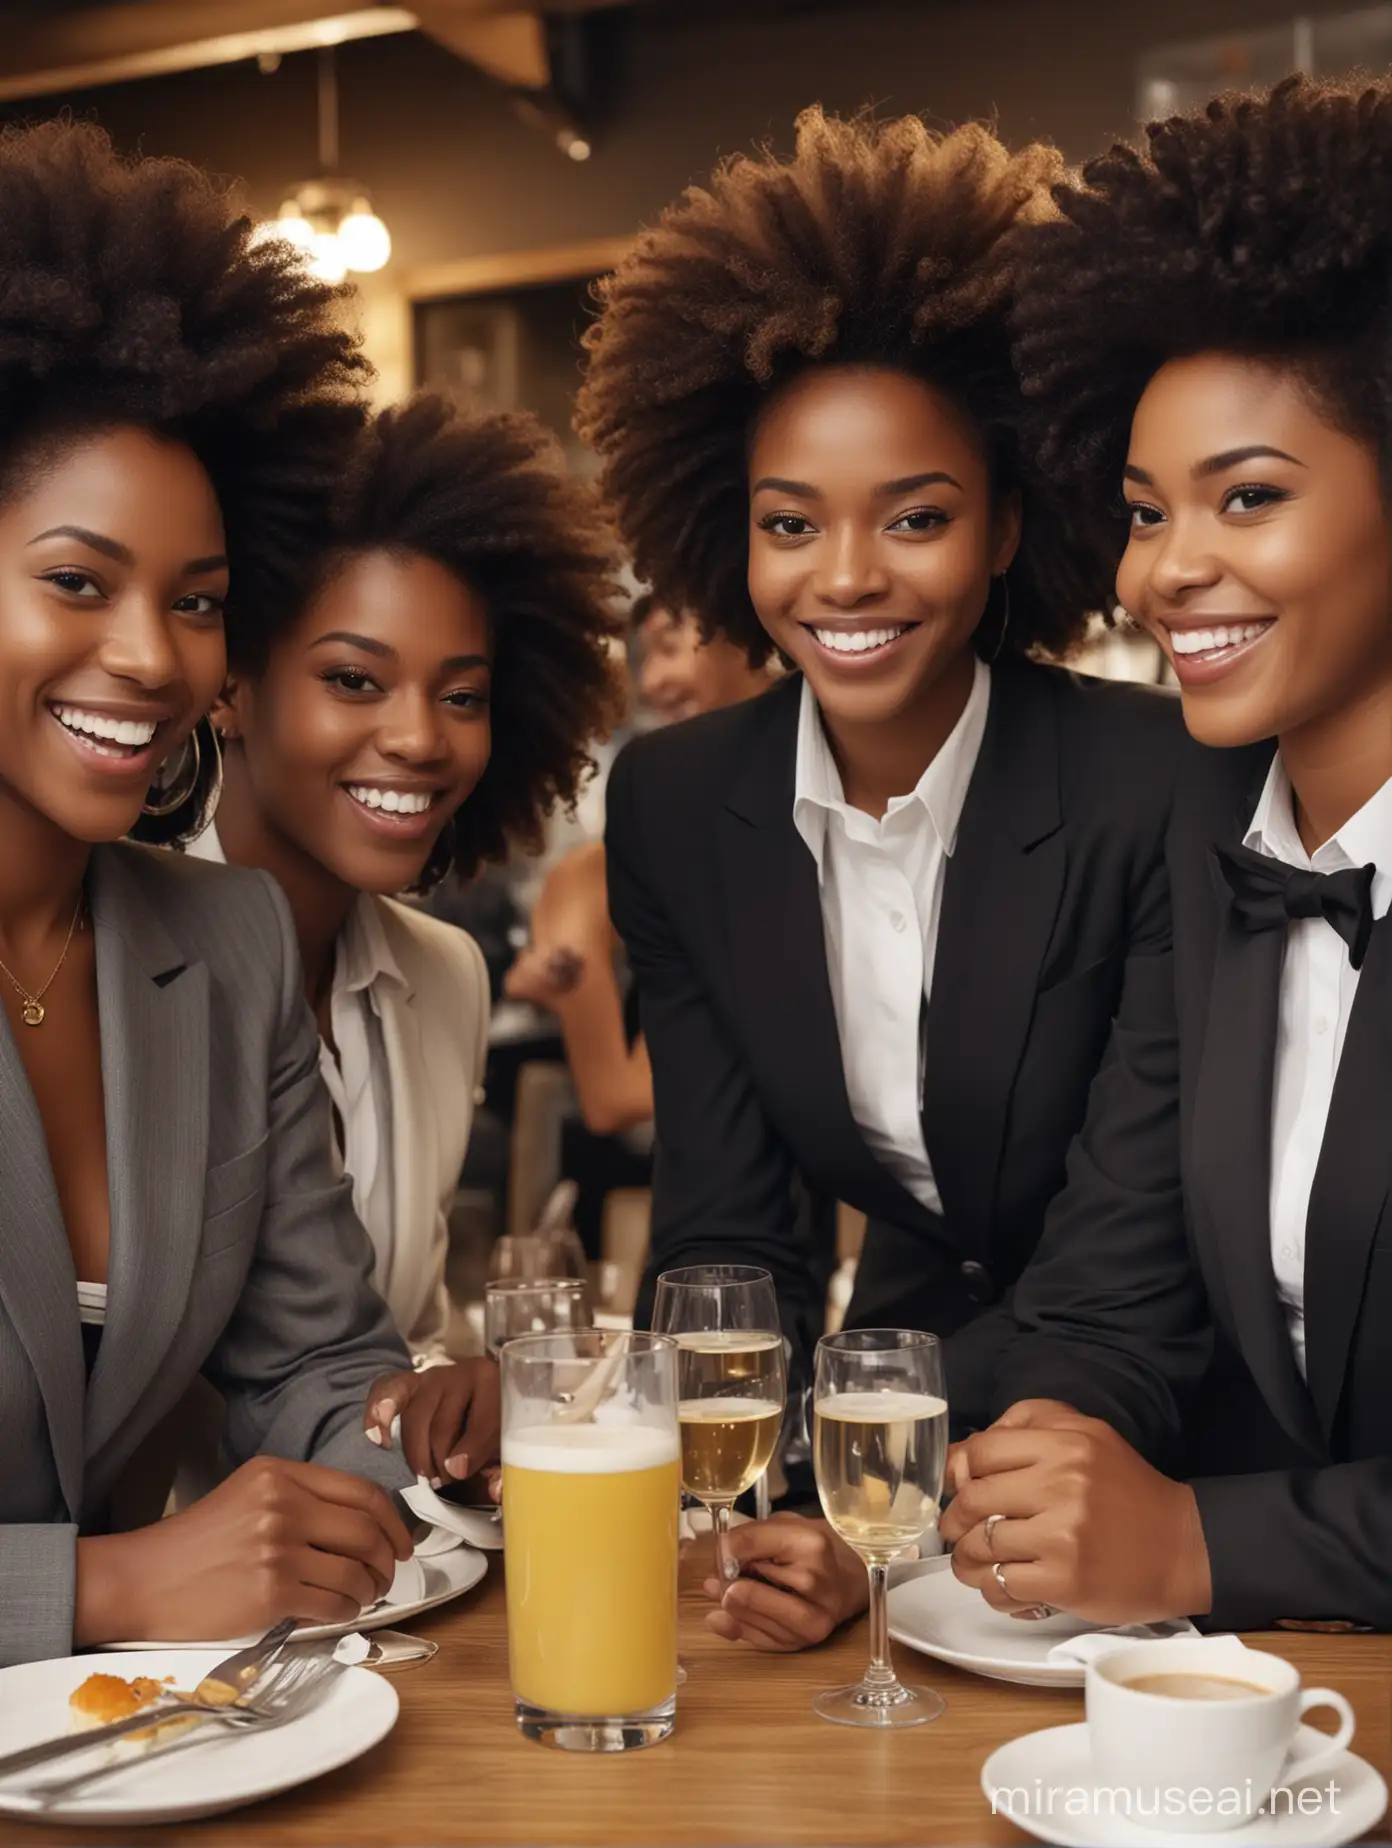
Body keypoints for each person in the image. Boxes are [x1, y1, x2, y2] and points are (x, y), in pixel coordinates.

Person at [576, 108, 1184, 1431]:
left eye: (915, 518)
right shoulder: (678, 803)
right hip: (893, 1405)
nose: (846, 576)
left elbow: (1135, 1246)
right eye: (790, 523)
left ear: (1009, 522)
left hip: (1156, 1411)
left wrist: (853, 1430)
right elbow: (728, 1233)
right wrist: (723, 1473)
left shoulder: (1153, 778)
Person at [935, 74, 1392, 1634]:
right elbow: (1116, 1295)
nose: (1167, 570)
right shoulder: (1210, 845)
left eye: (1247, 499)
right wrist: (956, 1488)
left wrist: (1199, 1546)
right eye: (1142, 511)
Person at [0, 119, 438, 1665]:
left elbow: (318, 1358)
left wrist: (419, 1454)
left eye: (194, 604)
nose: (149, 656)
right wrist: (107, 1591)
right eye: (76, 581)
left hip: (148, 1752)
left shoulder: (221, 935)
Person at [190, 392, 622, 1391]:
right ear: (229, 688)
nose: (422, 738)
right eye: (354, 680)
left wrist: (467, 1399)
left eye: (462, 696)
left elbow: (401, 1331)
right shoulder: (106, 964)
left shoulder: (445, 977)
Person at [503, 592, 771, 1137]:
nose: (650, 682)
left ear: (753, 644)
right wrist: (568, 991)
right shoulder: (606, 872)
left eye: (669, 648)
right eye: (644, 659)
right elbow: (614, 1100)